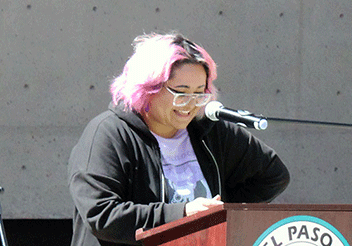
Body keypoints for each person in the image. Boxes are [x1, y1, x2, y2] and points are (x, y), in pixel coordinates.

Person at [68, 32, 290, 246]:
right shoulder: (109, 134)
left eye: (199, 92)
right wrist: (182, 213)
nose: (192, 103)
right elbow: (101, 216)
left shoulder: (211, 130)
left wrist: (221, 214)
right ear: (149, 88)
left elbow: (273, 175)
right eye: (181, 92)